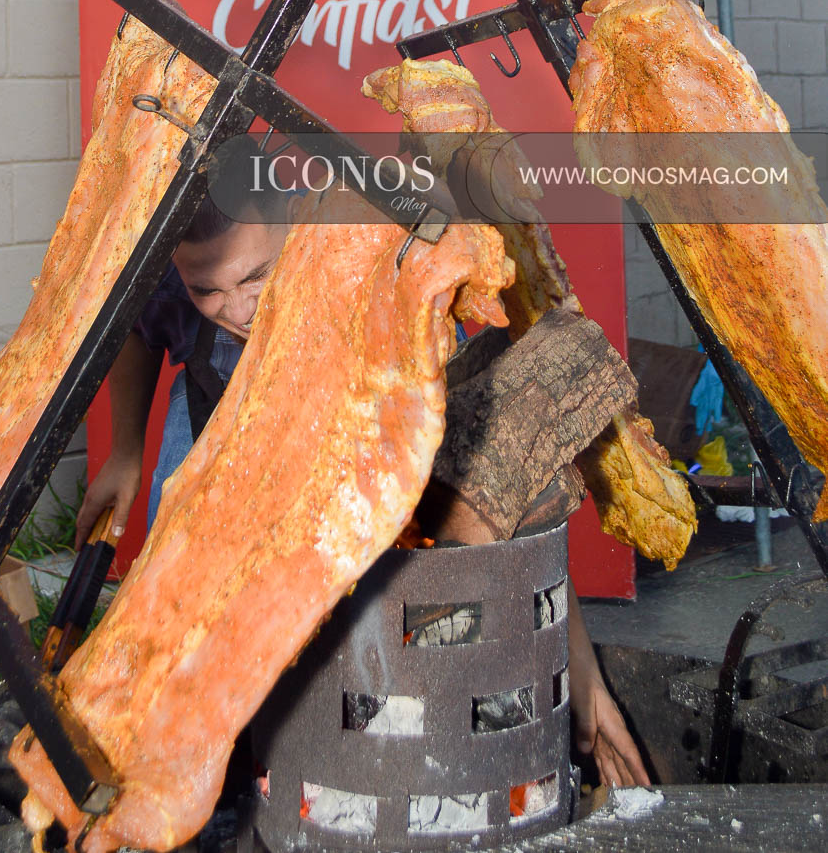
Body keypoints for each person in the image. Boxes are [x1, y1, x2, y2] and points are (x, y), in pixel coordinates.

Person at [75, 167, 649, 790]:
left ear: (294, 223)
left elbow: (500, 479)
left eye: (256, 276)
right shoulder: (181, 269)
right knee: (174, 595)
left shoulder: (380, 273)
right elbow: (139, 328)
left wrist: (583, 675)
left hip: (352, 430)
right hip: (219, 416)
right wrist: (125, 452)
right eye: (206, 290)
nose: (237, 310)